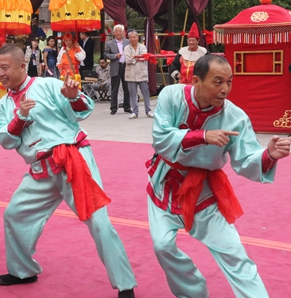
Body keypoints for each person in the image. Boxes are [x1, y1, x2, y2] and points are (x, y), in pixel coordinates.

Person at [0, 44, 136, 297]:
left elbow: (83, 110)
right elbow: (6, 140)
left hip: (72, 158)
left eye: (5, 68)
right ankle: (22, 271)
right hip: (40, 168)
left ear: (22, 66)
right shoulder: (3, 105)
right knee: (14, 214)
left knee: (99, 221)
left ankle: (125, 285)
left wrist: (72, 96)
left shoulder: (46, 85)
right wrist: (21, 117)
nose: (1, 74)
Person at [147, 54, 290, 298]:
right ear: (196, 80)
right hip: (164, 185)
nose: (225, 89)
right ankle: (192, 293)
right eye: (217, 82)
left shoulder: (236, 117)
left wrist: (269, 155)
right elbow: (160, 138)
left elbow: (246, 160)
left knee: (234, 253)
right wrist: (203, 136)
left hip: (204, 192)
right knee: (163, 246)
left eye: (229, 82)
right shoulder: (170, 96)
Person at [123, 31, 153, 119]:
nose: (133, 39)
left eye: (134, 37)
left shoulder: (142, 46)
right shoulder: (126, 48)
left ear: (137, 38)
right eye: (131, 37)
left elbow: (144, 57)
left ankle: (148, 111)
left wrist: (134, 57)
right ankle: (135, 112)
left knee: (145, 93)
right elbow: (127, 60)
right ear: (129, 39)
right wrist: (137, 57)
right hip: (131, 73)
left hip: (141, 73)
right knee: (133, 94)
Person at [104, 25, 131, 115]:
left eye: (120, 31)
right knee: (114, 88)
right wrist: (115, 56)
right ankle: (113, 108)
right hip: (116, 66)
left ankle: (127, 107)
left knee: (126, 87)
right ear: (114, 33)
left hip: (126, 67)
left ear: (123, 32)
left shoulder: (128, 42)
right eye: (117, 31)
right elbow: (105, 54)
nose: (118, 33)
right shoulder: (110, 43)